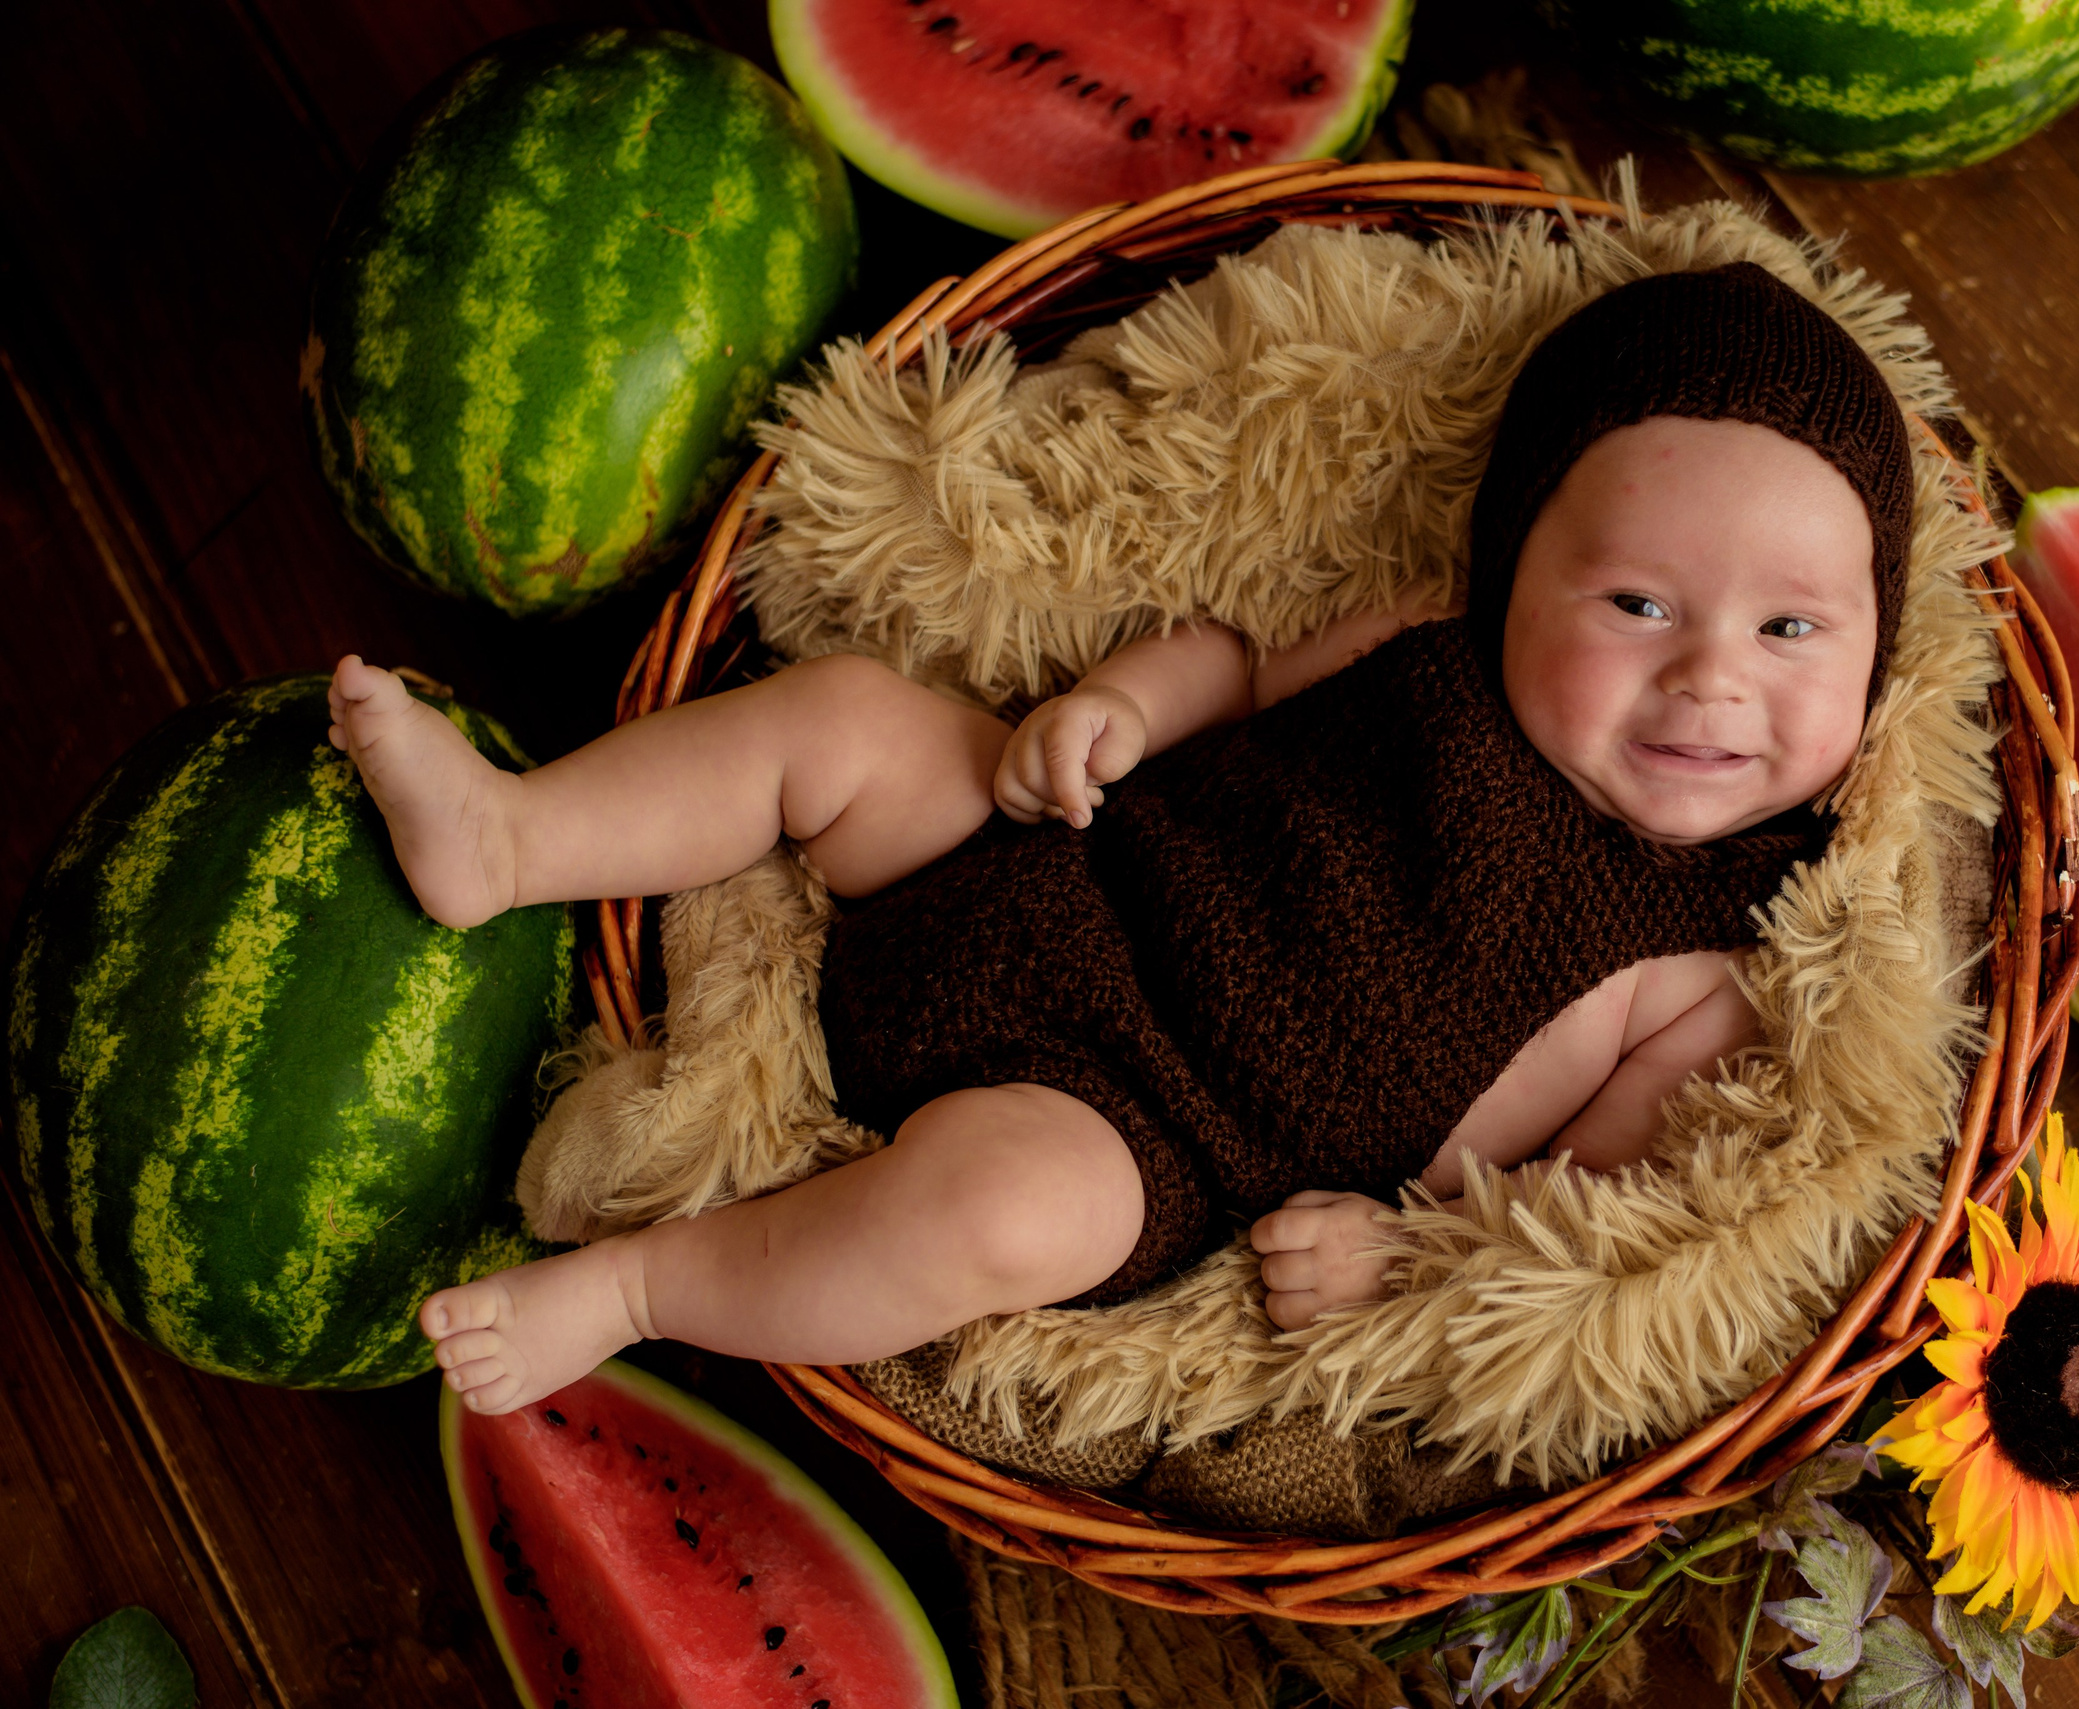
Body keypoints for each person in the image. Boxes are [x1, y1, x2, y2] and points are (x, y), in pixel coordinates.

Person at [328, 263, 1913, 1415]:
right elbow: (1230, 658)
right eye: (1637, 603)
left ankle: (633, 1287)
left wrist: (1403, 1263)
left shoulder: (1712, 963)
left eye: (1791, 628)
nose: (1711, 675)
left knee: (990, 1219)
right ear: (1514, 566)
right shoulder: (1432, 638)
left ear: (1874, 651)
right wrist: (1116, 712)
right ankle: (515, 836)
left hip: (1149, 1128)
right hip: (1054, 850)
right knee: (851, 718)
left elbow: (1568, 1230)